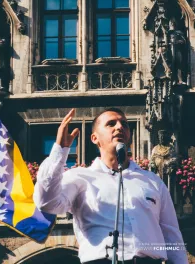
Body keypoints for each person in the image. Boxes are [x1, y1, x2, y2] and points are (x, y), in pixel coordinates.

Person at [34, 108, 188, 264]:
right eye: (111, 124)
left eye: (125, 124)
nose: (119, 127)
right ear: (95, 138)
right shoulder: (79, 177)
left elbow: (171, 234)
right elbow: (47, 204)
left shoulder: (152, 181)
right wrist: (59, 151)